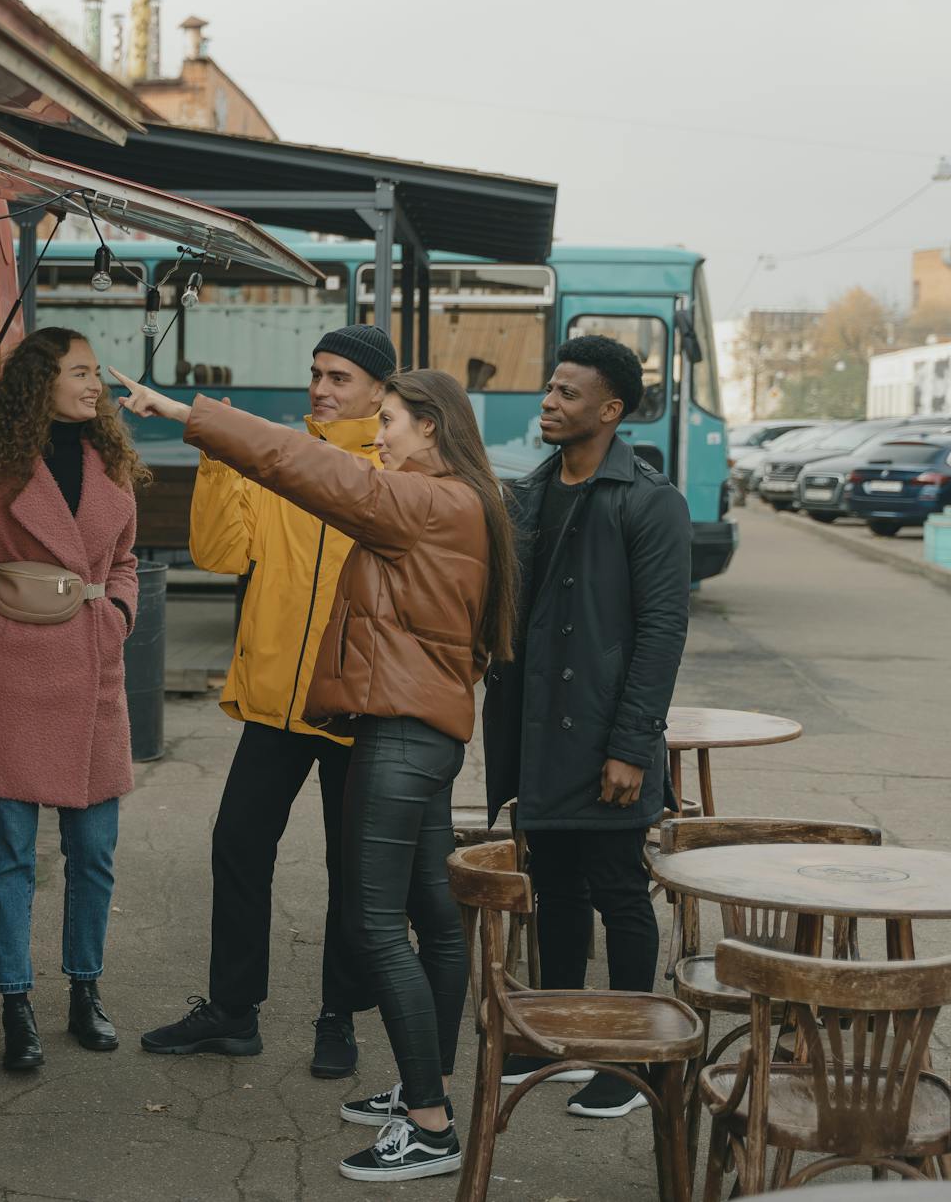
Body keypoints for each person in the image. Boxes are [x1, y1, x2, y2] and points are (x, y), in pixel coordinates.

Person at [115, 364, 519, 1184]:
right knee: (436, 921)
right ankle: (425, 1089)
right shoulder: (467, 500)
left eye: (395, 421)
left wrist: (193, 413)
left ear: (432, 427)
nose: (381, 437)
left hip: (401, 734)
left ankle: (431, 1124)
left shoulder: (423, 500)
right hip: (425, 727)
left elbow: (309, 468)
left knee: (376, 924)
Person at [140, 324, 390, 1080]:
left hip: (355, 705)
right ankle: (232, 1010)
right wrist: (221, 461)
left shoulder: (396, 468)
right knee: (239, 845)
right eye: (317, 372)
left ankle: (338, 1015)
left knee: (352, 868)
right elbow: (220, 555)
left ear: (380, 389)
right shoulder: (274, 456)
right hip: (276, 700)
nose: (322, 388)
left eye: (340, 377)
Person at [0, 327, 147, 1071]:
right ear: (40, 382)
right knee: (10, 854)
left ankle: (85, 990)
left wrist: (122, 612)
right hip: (16, 675)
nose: (94, 385)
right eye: (79, 372)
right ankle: (16, 1002)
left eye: (95, 373)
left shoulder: (113, 461)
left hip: (94, 672)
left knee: (93, 853)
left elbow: (129, 560)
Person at [481, 334, 691, 1119]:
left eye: (568, 393)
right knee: (556, 889)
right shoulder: (530, 492)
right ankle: (558, 1038)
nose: (549, 400)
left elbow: (662, 632)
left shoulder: (648, 499)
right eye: (550, 388)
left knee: (619, 893)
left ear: (608, 410)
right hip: (539, 734)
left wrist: (631, 745)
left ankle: (630, 1053)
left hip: (607, 738)